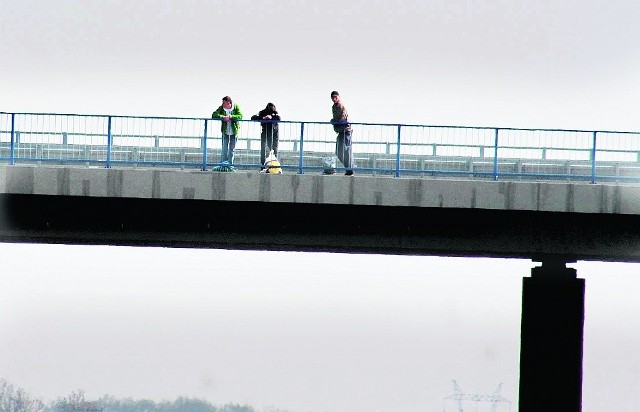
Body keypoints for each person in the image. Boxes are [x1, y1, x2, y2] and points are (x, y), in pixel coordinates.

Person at [212, 96, 243, 165]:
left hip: (234, 132)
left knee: (232, 150)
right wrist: (222, 117)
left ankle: (229, 165)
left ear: (229, 103)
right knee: (224, 149)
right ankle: (223, 164)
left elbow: (240, 116)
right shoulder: (221, 108)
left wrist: (231, 117)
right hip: (225, 131)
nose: (223, 104)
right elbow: (214, 114)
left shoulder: (236, 107)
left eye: (224, 103)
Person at [330, 91, 354, 175]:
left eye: (335, 97)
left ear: (338, 97)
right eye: (332, 97)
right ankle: (349, 168)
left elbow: (340, 118)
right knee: (339, 151)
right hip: (340, 131)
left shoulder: (341, 106)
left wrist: (333, 121)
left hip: (346, 131)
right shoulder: (334, 106)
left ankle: (350, 169)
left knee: (345, 150)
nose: (334, 99)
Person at [251, 102, 281, 170]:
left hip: (274, 135)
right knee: (264, 150)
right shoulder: (262, 112)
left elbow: (279, 118)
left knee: (274, 150)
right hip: (265, 133)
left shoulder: (275, 113)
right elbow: (253, 117)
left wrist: (271, 117)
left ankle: (273, 167)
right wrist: (263, 118)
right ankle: (263, 166)